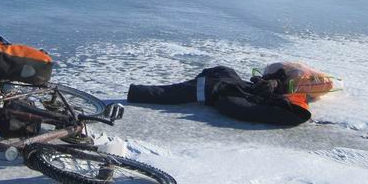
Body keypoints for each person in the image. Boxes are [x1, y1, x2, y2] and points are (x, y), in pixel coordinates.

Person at [127, 65, 312, 126]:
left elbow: (243, 109)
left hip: (219, 79)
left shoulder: (258, 91)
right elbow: (243, 110)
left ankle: (133, 91)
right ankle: (133, 92)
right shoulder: (243, 98)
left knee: (169, 93)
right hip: (214, 85)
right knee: (168, 93)